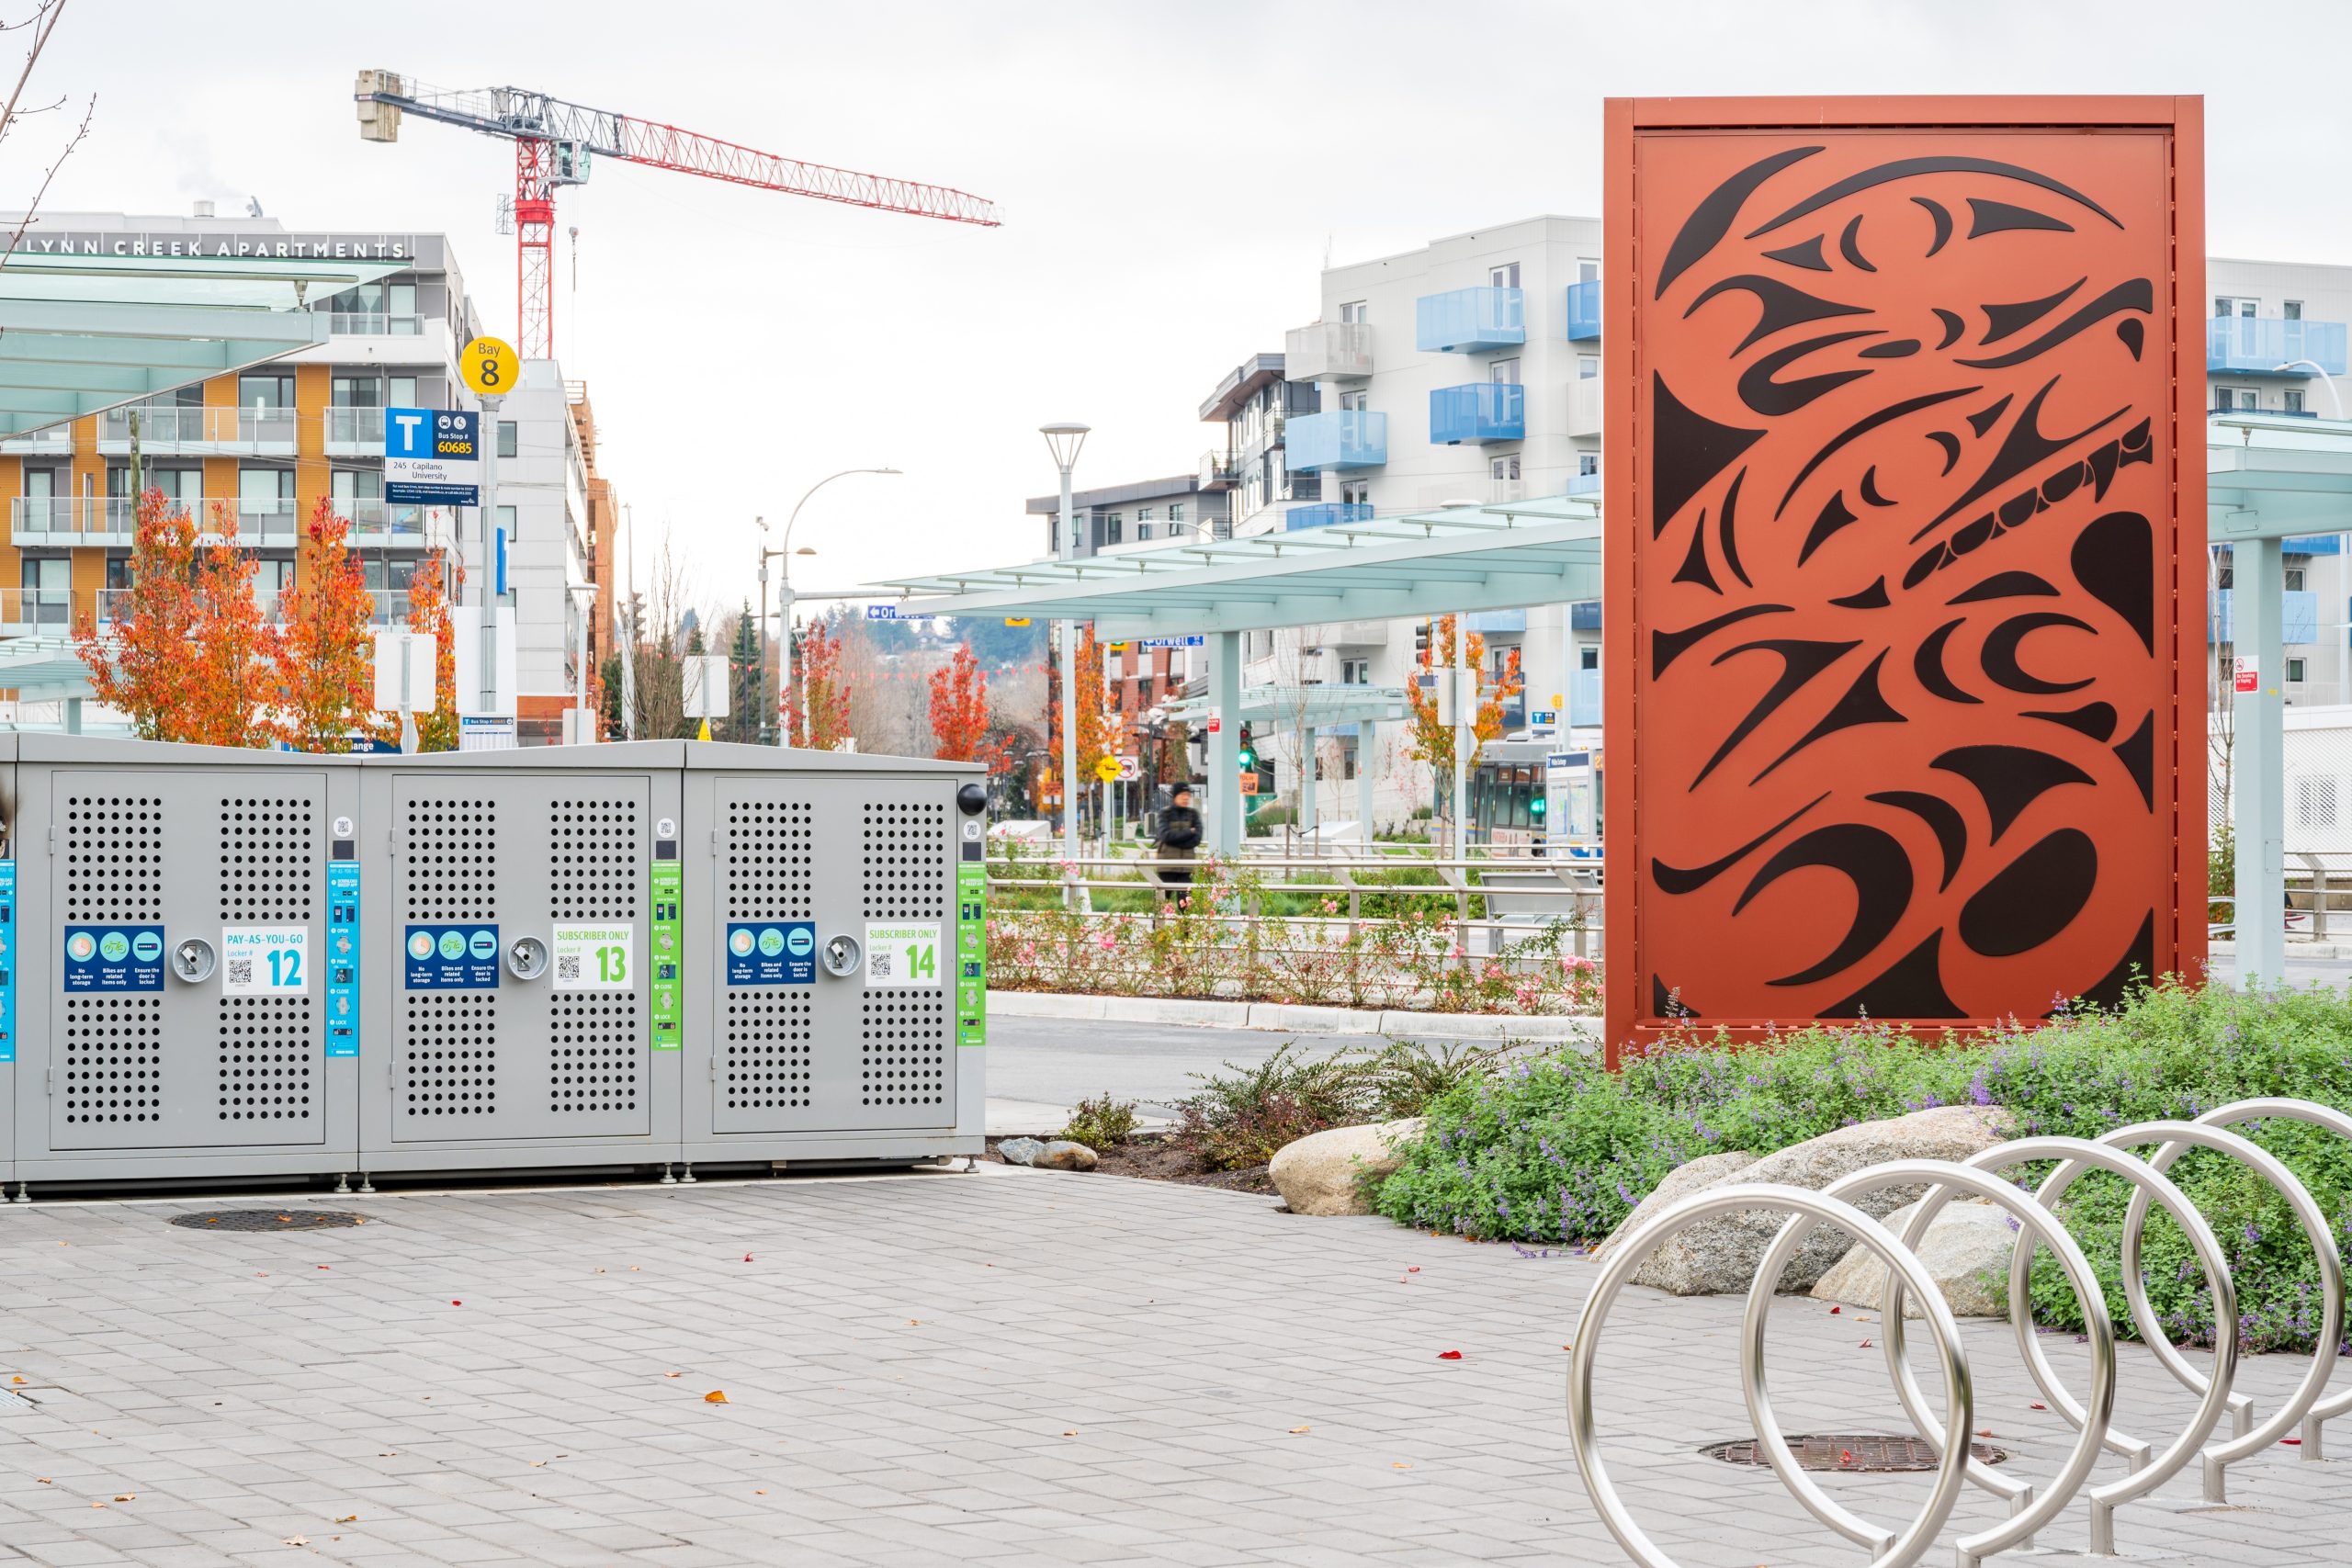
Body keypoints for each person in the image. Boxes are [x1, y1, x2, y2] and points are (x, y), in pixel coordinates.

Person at [1156, 783, 1203, 894]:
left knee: (1185, 903)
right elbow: (1166, 836)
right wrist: (1188, 832)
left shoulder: (1193, 814)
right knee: (1162, 901)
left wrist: (1175, 841)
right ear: (1175, 796)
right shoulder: (1165, 813)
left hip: (1186, 866)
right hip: (1167, 865)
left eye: (1188, 794)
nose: (1186, 797)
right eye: (1182, 794)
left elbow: (1197, 839)